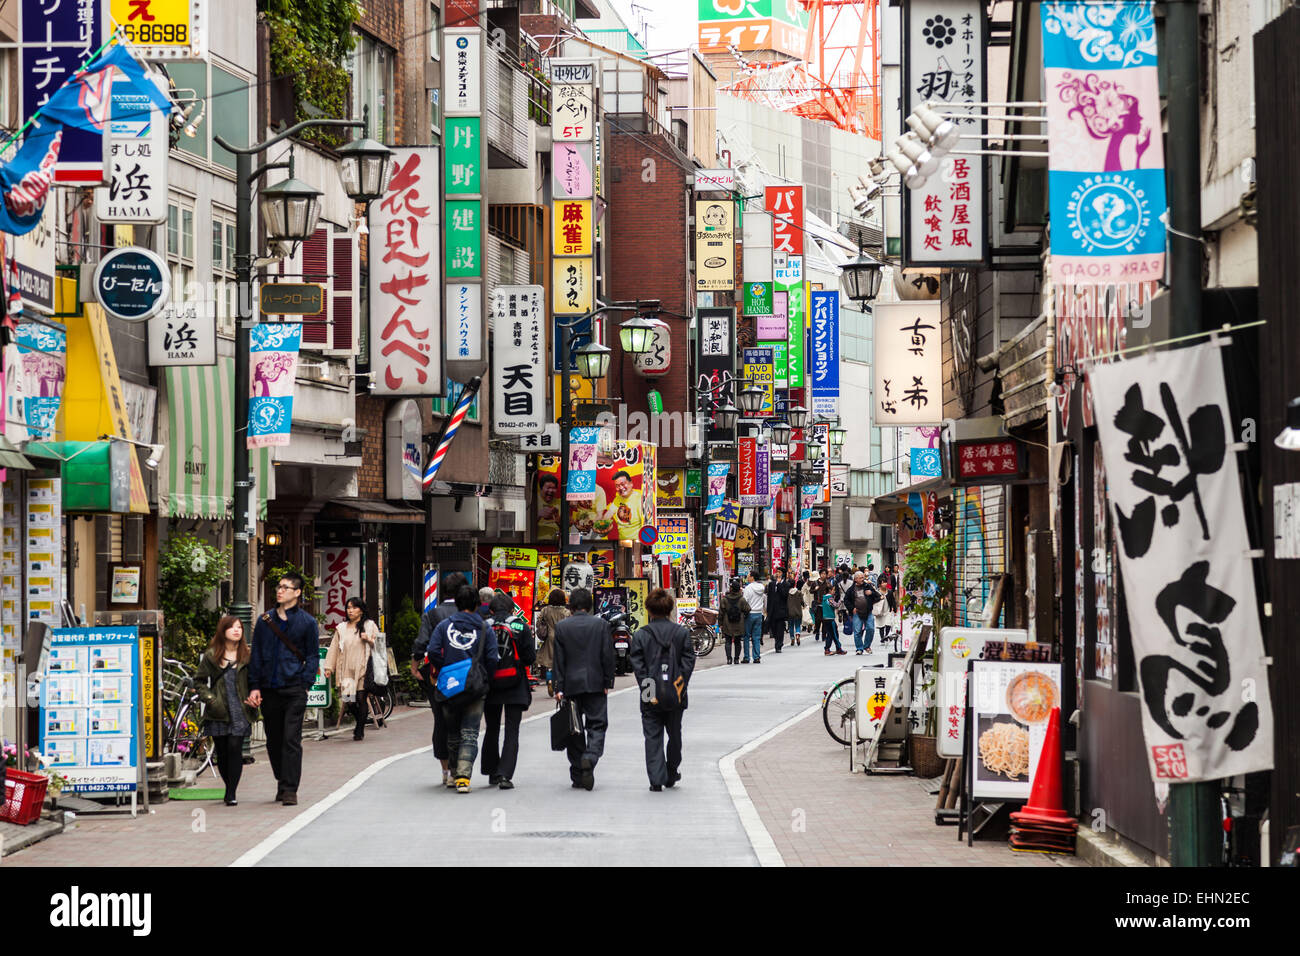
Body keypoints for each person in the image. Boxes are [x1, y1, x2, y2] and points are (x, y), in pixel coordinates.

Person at [248, 571, 320, 806]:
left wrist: (306, 682)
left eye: (286, 587)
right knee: (273, 739)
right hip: (269, 687)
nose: (280, 590)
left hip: (295, 687)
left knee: (291, 738)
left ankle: (290, 789)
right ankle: (282, 779)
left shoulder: (307, 623)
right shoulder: (264, 621)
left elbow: (312, 655)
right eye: (278, 587)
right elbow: (256, 655)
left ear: (297, 593)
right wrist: (254, 686)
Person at [428, 585, 498, 793]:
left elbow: (432, 651)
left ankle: (453, 774)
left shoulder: (444, 626)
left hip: (449, 685)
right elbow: (492, 657)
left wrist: (445, 668)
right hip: (476, 686)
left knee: (452, 732)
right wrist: (484, 676)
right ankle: (463, 778)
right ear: (477, 604)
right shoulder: (485, 628)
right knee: (470, 732)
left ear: (457, 603)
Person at [630, 588, 696, 792]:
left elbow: (638, 665)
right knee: (675, 733)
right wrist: (680, 682)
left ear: (649, 609)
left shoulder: (641, 635)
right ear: (670, 609)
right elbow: (688, 660)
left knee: (652, 735)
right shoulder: (681, 633)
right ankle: (672, 769)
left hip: (650, 690)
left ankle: (656, 779)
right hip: (676, 692)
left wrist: (647, 687)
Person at [552, 587, 614, 790]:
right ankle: (590, 756)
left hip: (570, 685)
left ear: (570, 606)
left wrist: (558, 687)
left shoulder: (562, 627)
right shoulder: (601, 625)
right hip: (595, 683)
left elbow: (558, 661)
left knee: (574, 730)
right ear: (589, 605)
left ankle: (578, 774)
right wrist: (607, 682)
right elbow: (607, 655)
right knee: (596, 725)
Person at [413, 570, 469, 787]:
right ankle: (461, 769)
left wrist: (415, 664)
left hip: (438, 675)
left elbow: (422, 643)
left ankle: (446, 770)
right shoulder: (470, 614)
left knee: (441, 720)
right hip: (466, 675)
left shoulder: (432, 614)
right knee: (465, 722)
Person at [195, 615, 257, 806]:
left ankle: (231, 792)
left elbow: (255, 679)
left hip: (240, 708)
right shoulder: (212, 655)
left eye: (239, 627)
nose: (237, 630)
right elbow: (199, 681)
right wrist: (211, 700)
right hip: (219, 709)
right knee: (222, 752)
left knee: (235, 748)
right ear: (223, 631)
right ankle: (228, 786)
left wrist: (255, 695)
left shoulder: (247, 654)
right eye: (232, 627)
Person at [481, 594, 535, 789]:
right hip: (515, 683)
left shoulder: (483, 626)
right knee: (512, 730)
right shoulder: (520, 625)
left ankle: (491, 771)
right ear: (512, 609)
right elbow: (530, 657)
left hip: (491, 683)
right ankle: (505, 775)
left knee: (491, 728)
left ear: (491, 610)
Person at [323, 597, 378, 741]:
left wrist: (369, 640)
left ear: (361, 609)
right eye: (348, 608)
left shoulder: (370, 625)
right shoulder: (341, 628)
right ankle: (360, 721)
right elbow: (334, 648)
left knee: (361, 698)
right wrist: (329, 667)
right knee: (349, 700)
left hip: (363, 668)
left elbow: (380, 647)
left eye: (354, 607)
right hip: (346, 669)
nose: (350, 610)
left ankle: (359, 730)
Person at [535, 589, 569, 696]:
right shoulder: (566, 612)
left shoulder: (545, 610)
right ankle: (558, 683)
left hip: (550, 637)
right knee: (562, 662)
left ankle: (549, 680)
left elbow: (538, 622)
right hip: (563, 637)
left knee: (550, 663)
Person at [844, 571, 882, 655]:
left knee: (871, 628)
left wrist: (871, 593)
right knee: (857, 631)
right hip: (857, 612)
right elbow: (846, 600)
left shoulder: (867, 586)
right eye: (860, 578)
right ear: (855, 579)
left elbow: (878, 596)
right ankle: (859, 648)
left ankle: (867, 646)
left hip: (868, 611)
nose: (862, 579)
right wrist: (851, 608)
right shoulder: (851, 589)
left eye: (862, 577)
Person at [719, 579, 751, 664]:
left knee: (728, 641)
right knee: (737, 641)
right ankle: (736, 659)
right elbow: (748, 609)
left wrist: (720, 624)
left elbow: (721, 612)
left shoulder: (724, 599)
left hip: (727, 622)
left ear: (731, 589)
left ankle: (729, 659)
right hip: (739, 623)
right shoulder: (741, 599)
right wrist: (744, 616)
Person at [741, 571, 767, 664]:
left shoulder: (748, 588)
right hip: (759, 614)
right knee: (756, 636)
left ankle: (747, 657)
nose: (747, 578)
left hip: (750, 613)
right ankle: (756, 656)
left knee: (747, 636)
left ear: (752, 577)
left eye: (748, 576)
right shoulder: (761, 588)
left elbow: (744, 601)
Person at [766, 566, 791, 654]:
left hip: (781, 610)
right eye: (777, 572)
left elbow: (784, 595)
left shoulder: (786, 584)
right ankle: (777, 640)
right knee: (774, 628)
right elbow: (769, 597)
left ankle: (779, 645)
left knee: (780, 628)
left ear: (783, 574)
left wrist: (780, 584)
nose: (777, 574)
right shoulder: (772, 584)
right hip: (772, 610)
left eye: (779, 572)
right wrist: (768, 610)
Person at [786, 571, 807, 648]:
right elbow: (802, 602)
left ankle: (792, 638)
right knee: (797, 625)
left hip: (790, 612)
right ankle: (797, 634)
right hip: (798, 611)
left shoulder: (787, 593)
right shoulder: (798, 592)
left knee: (791, 626)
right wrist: (804, 605)